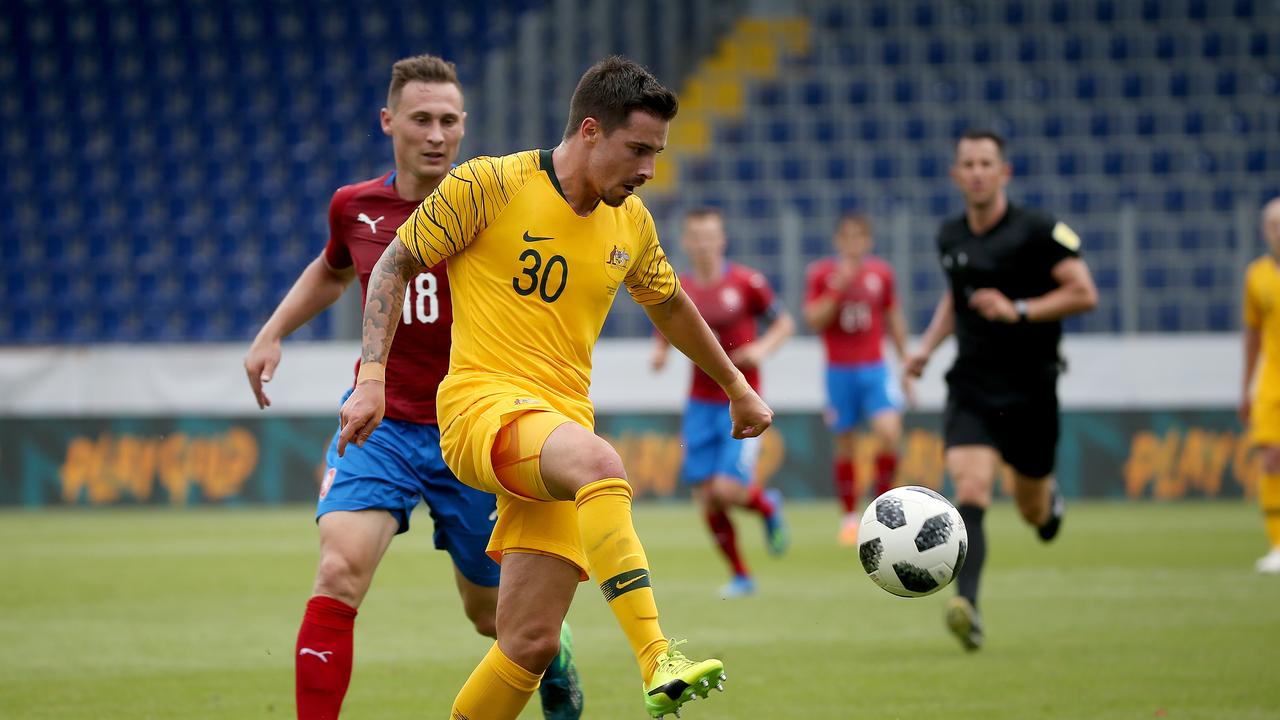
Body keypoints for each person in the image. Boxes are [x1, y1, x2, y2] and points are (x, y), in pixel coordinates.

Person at [338, 56, 771, 720]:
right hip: (481, 408)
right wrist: (371, 378)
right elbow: (396, 261)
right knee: (601, 462)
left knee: (530, 644)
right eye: (638, 150)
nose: (650, 169)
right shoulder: (489, 184)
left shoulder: (631, 224)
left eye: (657, 153)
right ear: (592, 131)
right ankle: (658, 657)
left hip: (557, 428)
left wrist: (737, 385)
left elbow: (672, 304)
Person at [242, 55, 582, 720]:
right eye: (421, 119)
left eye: (449, 121)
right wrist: (272, 330)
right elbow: (333, 269)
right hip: (382, 424)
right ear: (388, 121)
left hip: (474, 431)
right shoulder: (356, 207)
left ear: (463, 127)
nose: (435, 134)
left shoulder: (498, 206)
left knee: (491, 617)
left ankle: (556, 655)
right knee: (338, 572)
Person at [903, 129, 1098, 652]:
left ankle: (1047, 506)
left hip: (1032, 387)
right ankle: (968, 606)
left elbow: (1084, 292)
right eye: (967, 163)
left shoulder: (1038, 231)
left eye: (987, 163)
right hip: (972, 384)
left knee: (1032, 510)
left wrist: (1022, 310)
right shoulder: (950, 236)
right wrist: (925, 348)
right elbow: (956, 299)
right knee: (970, 489)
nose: (977, 172)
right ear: (956, 175)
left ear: (1003, 172)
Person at [651, 206, 793, 598]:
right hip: (699, 404)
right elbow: (670, 321)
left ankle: (768, 508)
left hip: (741, 400)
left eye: (709, 236)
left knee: (727, 491)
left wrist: (761, 350)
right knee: (706, 498)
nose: (703, 244)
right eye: (695, 237)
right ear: (686, 242)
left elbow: (784, 323)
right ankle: (742, 576)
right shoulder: (681, 286)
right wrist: (660, 351)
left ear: (722, 240)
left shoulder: (747, 282)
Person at [803, 213, 909, 546]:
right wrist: (837, 289)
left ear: (868, 241)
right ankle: (849, 518)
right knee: (845, 444)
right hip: (839, 371)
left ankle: (882, 511)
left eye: (858, 236)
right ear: (837, 241)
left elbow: (894, 318)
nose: (852, 243)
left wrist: (906, 365)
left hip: (874, 369)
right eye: (846, 237)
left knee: (890, 433)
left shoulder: (881, 274)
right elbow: (813, 319)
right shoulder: (822, 275)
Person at [1241, 196, 1280, 574]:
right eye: (1274, 225)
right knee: (1271, 459)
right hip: (1272, 380)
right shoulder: (1257, 276)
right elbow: (1252, 333)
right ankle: (1278, 544)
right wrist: (1246, 386)